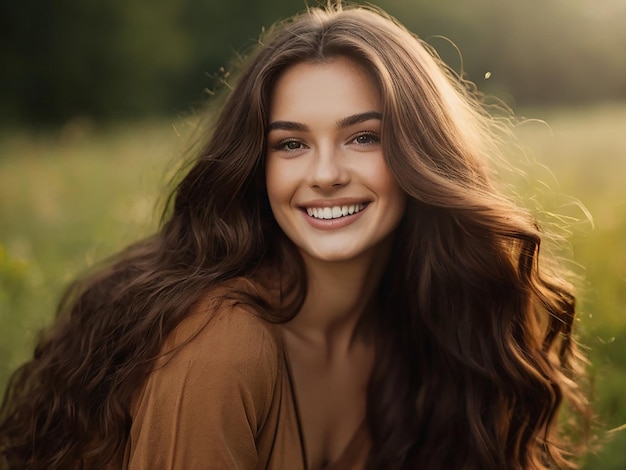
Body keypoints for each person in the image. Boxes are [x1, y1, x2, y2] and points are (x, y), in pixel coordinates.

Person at [0, 2, 591, 469]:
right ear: (256, 167)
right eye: (291, 143)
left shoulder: (428, 323)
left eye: (363, 137)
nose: (326, 174)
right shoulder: (221, 348)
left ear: (422, 154)